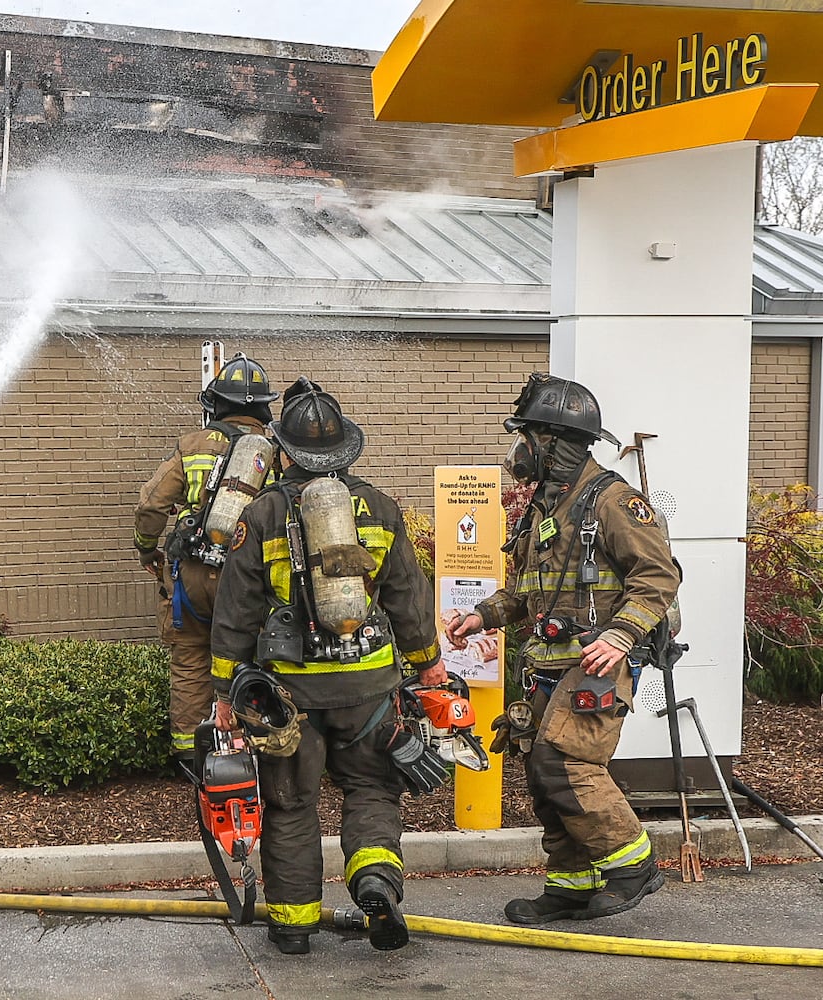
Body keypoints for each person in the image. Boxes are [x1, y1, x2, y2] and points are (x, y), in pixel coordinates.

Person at [210, 378, 443, 955]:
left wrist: (223, 689)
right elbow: (408, 600)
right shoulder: (383, 509)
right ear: (346, 450)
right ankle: (375, 882)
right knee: (371, 788)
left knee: (291, 802)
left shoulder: (260, 514)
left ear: (284, 450)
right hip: (369, 690)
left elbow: (235, 612)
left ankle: (292, 927)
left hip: (289, 697)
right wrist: (428, 664)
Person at [444, 373, 681, 926]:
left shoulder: (614, 501)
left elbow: (657, 575)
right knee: (542, 772)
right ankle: (571, 885)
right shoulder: (547, 509)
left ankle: (634, 864)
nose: (517, 450)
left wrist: (621, 637)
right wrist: (482, 616)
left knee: (565, 763)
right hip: (550, 663)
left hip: (598, 661)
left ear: (551, 442)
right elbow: (531, 591)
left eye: (525, 436)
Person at [134, 353, 280, 759]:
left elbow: (150, 506)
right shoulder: (273, 453)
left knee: (190, 663)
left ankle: (192, 758)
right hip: (250, 579)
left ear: (215, 402)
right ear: (263, 407)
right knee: (253, 658)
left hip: (193, 577)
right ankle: (257, 752)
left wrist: (147, 550)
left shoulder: (191, 445)